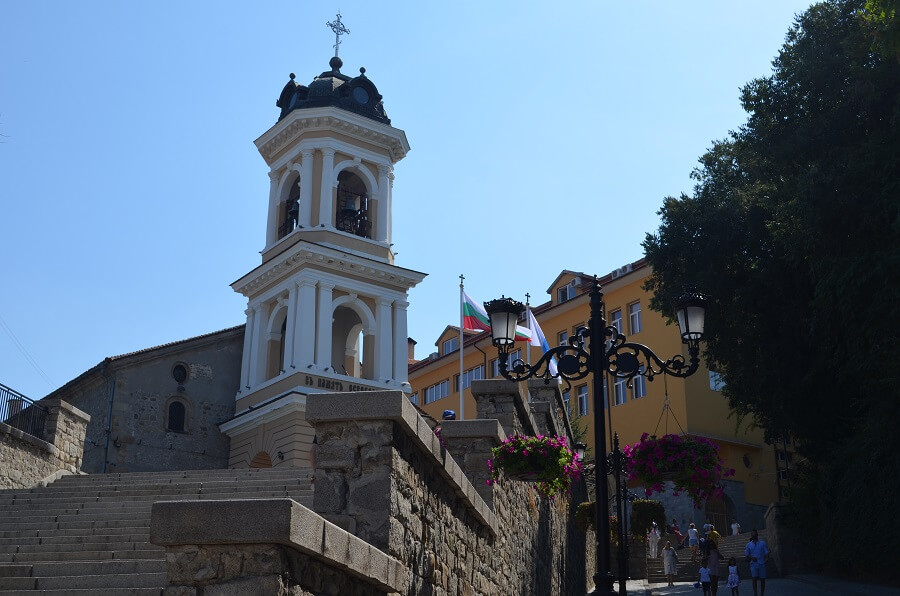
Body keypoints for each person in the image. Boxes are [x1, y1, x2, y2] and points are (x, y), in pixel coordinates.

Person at [744, 529, 770, 596]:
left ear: (757, 534)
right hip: (753, 564)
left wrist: (766, 559)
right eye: (752, 534)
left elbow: (766, 552)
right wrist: (752, 558)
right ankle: (755, 594)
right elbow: (747, 554)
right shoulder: (748, 545)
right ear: (751, 535)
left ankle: (762, 594)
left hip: (762, 563)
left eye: (754, 534)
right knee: (754, 578)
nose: (753, 535)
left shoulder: (762, 543)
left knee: (762, 579)